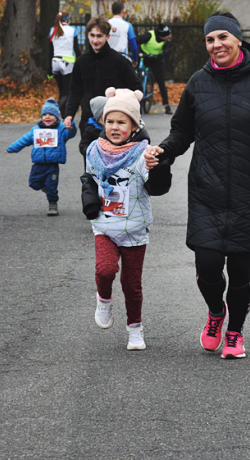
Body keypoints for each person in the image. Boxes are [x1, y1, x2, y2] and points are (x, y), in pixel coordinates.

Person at [144, 12, 250, 360]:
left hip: (249, 191)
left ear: (237, 40)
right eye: (210, 40)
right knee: (209, 266)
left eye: (223, 38)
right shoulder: (198, 82)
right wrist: (163, 151)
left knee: (242, 273)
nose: (217, 45)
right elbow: (182, 131)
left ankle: (235, 331)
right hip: (207, 190)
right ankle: (216, 313)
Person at [81, 88, 171, 351]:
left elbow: (157, 188)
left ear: (134, 125)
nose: (115, 127)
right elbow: (89, 178)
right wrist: (88, 200)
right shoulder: (94, 150)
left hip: (134, 229)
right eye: (110, 121)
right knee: (105, 270)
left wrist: (158, 166)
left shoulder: (144, 153)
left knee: (132, 285)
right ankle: (104, 299)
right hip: (105, 226)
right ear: (102, 123)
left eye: (122, 122)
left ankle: (135, 329)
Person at [64, 15, 140, 166]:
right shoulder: (81, 62)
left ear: (107, 36)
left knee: (114, 168)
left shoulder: (120, 62)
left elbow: (136, 88)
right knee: (90, 168)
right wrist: (69, 115)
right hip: (88, 121)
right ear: (87, 35)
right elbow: (75, 91)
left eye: (99, 36)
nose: (95, 40)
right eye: (92, 35)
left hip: (114, 124)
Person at [4, 98, 78, 216]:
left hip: (52, 165)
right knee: (33, 183)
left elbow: (71, 133)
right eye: (45, 114)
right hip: (38, 164)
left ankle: (53, 204)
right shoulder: (36, 130)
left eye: (51, 115)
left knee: (52, 186)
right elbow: (24, 140)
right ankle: (45, 188)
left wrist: (71, 125)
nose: (47, 117)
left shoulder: (61, 130)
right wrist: (12, 148)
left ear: (57, 117)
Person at [136, 23, 173, 114]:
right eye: (167, 35)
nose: (169, 36)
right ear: (161, 36)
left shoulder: (166, 41)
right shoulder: (149, 35)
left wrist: (161, 55)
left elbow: (167, 50)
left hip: (156, 59)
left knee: (161, 81)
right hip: (144, 57)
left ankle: (166, 105)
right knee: (136, 77)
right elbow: (137, 40)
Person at [48, 10, 81, 112]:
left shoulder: (53, 30)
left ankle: (63, 116)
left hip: (55, 61)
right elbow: (76, 49)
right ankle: (55, 110)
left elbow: (50, 51)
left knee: (61, 91)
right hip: (67, 62)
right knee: (67, 92)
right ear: (68, 19)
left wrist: (49, 69)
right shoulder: (72, 30)